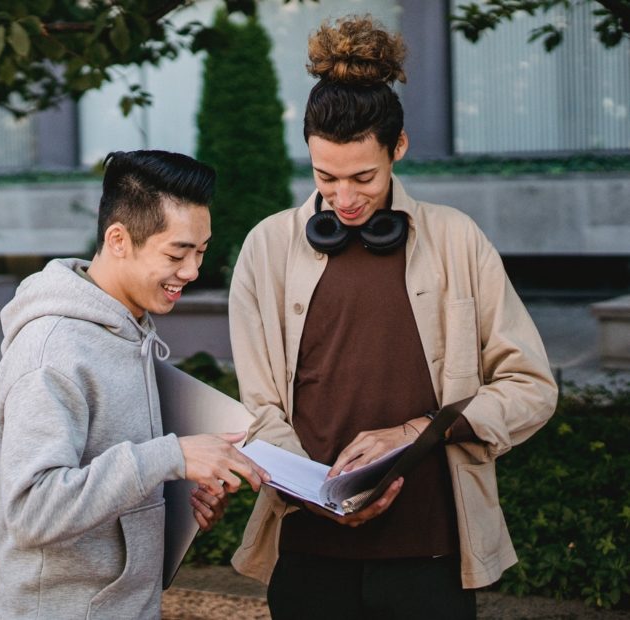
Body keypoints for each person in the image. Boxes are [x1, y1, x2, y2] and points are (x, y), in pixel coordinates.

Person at [228, 15, 558, 619]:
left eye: (364, 177)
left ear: (397, 149)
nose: (345, 199)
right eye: (326, 177)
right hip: (307, 546)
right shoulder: (266, 248)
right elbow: (258, 410)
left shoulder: (458, 239)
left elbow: (531, 387)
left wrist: (417, 430)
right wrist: (315, 493)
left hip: (431, 550)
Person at [0, 149, 269, 620]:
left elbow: (117, 473)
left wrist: (176, 497)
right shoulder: (51, 351)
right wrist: (169, 456)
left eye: (201, 250)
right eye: (177, 252)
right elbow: (32, 512)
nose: (193, 271)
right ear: (118, 239)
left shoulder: (128, 330)